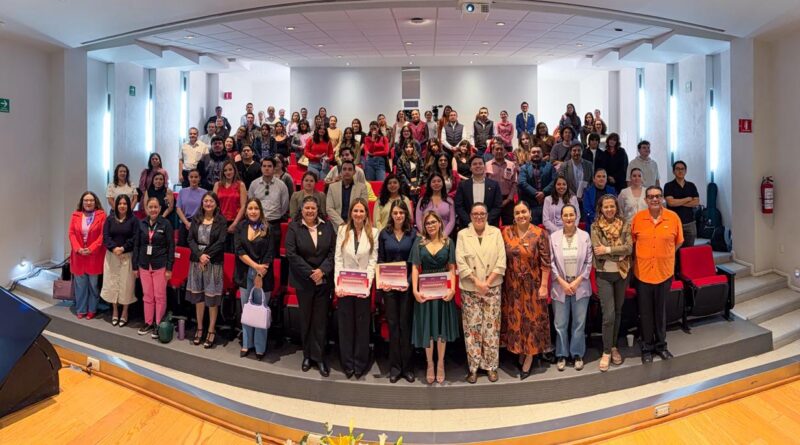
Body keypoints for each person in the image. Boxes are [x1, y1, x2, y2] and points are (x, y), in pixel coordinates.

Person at [286, 196, 337, 377]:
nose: (310, 211)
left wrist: (322, 271)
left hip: (323, 280)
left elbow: (333, 252)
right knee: (306, 319)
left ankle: (319, 357)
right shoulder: (294, 227)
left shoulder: (327, 226)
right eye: (307, 208)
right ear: (302, 210)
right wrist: (311, 273)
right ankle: (307, 356)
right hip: (303, 281)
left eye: (313, 208)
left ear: (317, 210)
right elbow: (291, 254)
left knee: (320, 320)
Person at [632, 186, 683, 363]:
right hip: (643, 274)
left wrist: (665, 254)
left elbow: (678, 242)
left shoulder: (673, 217)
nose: (655, 199)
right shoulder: (638, 219)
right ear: (645, 200)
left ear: (662, 198)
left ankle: (661, 346)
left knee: (661, 312)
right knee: (645, 313)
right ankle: (647, 347)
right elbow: (633, 242)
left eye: (658, 196)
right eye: (651, 197)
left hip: (664, 273)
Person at [456, 203, 506, 384]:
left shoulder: (496, 233)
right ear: (470, 216)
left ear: (487, 215)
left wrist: (487, 283)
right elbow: (460, 262)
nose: (479, 216)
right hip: (471, 288)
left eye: (482, 213)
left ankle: (491, 366)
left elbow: (501, 261)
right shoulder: (463, 234)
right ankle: (473, 367)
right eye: (475, 213)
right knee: (472, 329)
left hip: (492, 286)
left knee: (492, 328)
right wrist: (477, 282)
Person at [501, 201, 551, 379]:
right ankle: (521, 350)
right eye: (517, 213)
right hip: (512, 285)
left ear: (530, 213)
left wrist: (544, 285)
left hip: (533, 285)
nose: (521, 215)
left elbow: (546, 262)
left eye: (524, 212)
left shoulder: (539, 233)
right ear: (513, 216)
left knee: (532, 320)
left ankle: (530, 355)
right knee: (517, 320)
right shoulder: (506, 232)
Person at [411, 211, 459, 384]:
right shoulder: (419, 243)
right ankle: (430, 363)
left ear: (440, 223)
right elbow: (415, 267)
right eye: (427, 223)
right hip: (426, 293)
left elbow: (452, 267)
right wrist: (415, 291)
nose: (430, 225)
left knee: (441, 330)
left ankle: (440, 363)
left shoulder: (448, 242)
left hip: (443, 292)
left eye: (433, 222)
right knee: (428, 330)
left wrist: (452, 289)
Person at [333, 198, 378, 379]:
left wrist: (367, 284)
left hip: (363, 288)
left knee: (362, 325)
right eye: (355, 211)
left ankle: (360, 362)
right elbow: (338, 259)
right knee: (345, 325)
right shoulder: (342, 230)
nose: (358, 214)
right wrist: (338, 285)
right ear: (350, 213)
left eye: (361, 211)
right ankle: (347, 363)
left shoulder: (374, 232)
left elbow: (373, 260)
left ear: (366, 214)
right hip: (344, 287)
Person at [591, 195, 632, 372]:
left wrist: (608, 249)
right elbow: (597, 252)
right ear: (601, 209)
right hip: (604, 275)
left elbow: (629, 248)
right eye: (606, 207)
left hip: (621, 274)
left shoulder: (625, 224)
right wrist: (618, 254)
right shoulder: (595, 226)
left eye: (612, 206)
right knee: (608, 315)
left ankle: (614, 346)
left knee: (618, 311)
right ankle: (606, 352)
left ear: (616, 207)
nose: (609, 209)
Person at [549, 204, 593, 371]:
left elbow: (589, 262)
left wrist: (576, 282)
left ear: (576, 216)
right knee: (560, 323)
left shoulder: (585, 236)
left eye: (571, 215)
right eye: (565, 215)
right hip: (560, 286)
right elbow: (551, 263)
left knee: (579, 323)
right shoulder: (553, 237)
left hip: (580, 286)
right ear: (561, 218)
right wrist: (562, 282)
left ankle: (577, 354)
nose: (568, 218)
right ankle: (561, 354)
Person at [377, 200, 417, 383]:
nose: (398, 216)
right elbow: (380, 260)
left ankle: (407, 367)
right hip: (389, 288)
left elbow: (415, 262)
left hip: (407, 287)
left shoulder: (413, 234)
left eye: (401, 212)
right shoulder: (384, 234)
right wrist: (383, 282)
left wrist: (408, 282)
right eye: (395, 213)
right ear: (391, 215)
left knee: (405, 326)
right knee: (393, 326)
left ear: (406, 214)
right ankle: (394, 367)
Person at [235, 198, 276, 360]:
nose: (253, 211)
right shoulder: (241, 227)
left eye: (256, 208)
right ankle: (247, 344)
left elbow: (270, 253)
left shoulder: (268, 228)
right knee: (247, 310)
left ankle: (260, 347)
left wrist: (259, 273)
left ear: (260, 211)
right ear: (246, 211)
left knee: (260, 311)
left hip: (264, 274)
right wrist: (255, 266)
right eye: (250, 208)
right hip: (245, 273)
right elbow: (239, 250)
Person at [186, 192, 227, 349]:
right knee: (199, 298)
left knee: (212, 299)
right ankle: (200, 328)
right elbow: (190, 239)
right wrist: (199, 255)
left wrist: (206, 256)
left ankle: (211, 330)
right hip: (197, 262)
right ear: (202, 203)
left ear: (216, 204)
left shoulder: (221, 221)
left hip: (213, 262)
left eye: (211, 201)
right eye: (206, 201)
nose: (208, 204)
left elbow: (221, 241)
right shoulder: (196, 219)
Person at [133, 197, 174, 337]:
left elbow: (171, 247)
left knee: (160, 296)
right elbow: (137, 245)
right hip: (144, 264)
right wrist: (135, 266)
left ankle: (158, 323)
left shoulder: (166, 224)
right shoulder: (141, 223)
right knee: (147, 296)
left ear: (160, 208)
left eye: (156, 207)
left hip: (160, 264)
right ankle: (148, 322)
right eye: (150, 207)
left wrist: (169, 268)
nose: (153, 209)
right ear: (146, 209)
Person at [69, 192, 107, 320]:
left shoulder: (102, 215)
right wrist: (78, 249)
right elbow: (71, 234)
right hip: (79, 255)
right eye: (86, 200)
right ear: (82, 202)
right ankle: (81, 309)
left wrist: (91, 249)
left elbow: (102, 235)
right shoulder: (75, 215)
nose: (88, 203)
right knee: (80, 286)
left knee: (93, 285)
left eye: (91, 200)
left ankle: (92, 309)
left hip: (94, 256)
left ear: (95, 202)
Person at [101, 194, 137, 327]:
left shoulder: (133, 220)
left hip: (127, 256)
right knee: (112, 283)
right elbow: (106, 236)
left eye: (125, 204)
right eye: (120, 203)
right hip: (112, 256)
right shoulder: (110, 219)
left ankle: (125, 312)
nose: (122, 206)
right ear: (116, 205)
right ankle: (115, 310)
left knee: (126, 285)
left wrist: (123, 248)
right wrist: (114, 248)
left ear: (128, 205)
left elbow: (135, 238)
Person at [248, 157, 290, 255]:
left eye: (269, 166)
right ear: (261, 168)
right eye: (264, 166)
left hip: (274, 223)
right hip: (258, 223)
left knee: (274, 253)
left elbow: (284, 206)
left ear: (274, 168)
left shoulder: (281, 185)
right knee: (256, 252)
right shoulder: (254, 184)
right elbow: (250, 204)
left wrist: (274, 216)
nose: (266, 168)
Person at [454, 155, 503, 228]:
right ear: (470, 168)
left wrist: (486, 221)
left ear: (484, 167)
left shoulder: (494, 185)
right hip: (468, 226)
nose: (478, 166)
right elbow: (459, 206)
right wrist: (470, 222)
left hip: (489, 225)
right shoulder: (463, 185)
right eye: (474, 164)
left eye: (480, 163)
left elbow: (497, 206)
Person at [212, 160, 247, 252]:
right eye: (225, 170)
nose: (228, 172)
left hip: (236, 222)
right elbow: (213, 205)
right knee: (220, 251)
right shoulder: (217, 185)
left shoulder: (241, 185)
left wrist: (235, 224)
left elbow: (243, 206)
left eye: (230, 169)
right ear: (222, 172)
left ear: (234, 170)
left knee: (233, 251)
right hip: (220, 222)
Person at [664, 160, 700, 248]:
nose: (680, 171)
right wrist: (687, 199)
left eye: (682, 169)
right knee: (673, 250)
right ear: (673, 171)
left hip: (689, 223)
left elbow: (696, 202)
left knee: (688, 251)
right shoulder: (668, 186)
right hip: (673, 223)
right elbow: (671, 203)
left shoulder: (691, 185)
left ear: (685, 171)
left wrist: (678, 202)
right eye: (677, 169)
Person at [518, 146, 556, 225]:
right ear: (530, 154)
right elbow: (522, 182)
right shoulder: (524, 168)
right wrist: (536, 194)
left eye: (538, 152)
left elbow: (555, 181)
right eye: (533, 152)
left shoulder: (550, 166)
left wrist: (544, 193)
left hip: (547, 203)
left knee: (549, 228)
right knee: (533, 229)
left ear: (542, 154)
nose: (536, 154)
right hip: (530, 204)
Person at [326, 161, 369, 227]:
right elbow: (329, 208)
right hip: (336, 224)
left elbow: (363, 208)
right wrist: (341, 223)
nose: (347, 172)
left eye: (350, 169)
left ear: (354, 172)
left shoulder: (362, 188)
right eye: (344, 169)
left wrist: (351, 225)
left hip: (356, 223)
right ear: (341, 172)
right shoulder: (332, 187)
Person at [485, 143, 518, 226]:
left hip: (508, 200)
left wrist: (508, 199)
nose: (499, 151)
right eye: (497, 149)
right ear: (492, 151)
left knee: (509, 226)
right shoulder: (487, 165)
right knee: (492, 225)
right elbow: (484, 182)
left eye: (501, 149)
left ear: (505, 151)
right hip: (492, 200)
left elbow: (514, 183)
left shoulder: (511, 165)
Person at [416, 172, 456, 237]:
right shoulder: (422, 200)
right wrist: (426, 234)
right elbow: (418, 220)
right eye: (433, 181)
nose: (436, 183)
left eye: (439, 181)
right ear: (430, 184)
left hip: (444, 236)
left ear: (443, 183)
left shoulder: (449, 201)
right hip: (426, 236)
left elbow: (452, 221)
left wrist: (443, 236)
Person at [176, 170, 206, 246]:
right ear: (188, 178)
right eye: (191, 177)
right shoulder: (182, 192)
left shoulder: (205, 193)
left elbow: (206, 209)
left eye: (196, 177)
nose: (193, 179)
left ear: (199, 178)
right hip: (184, 223)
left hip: (199, 223)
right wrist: (187, 223)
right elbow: (178, 209)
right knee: (182, 247)